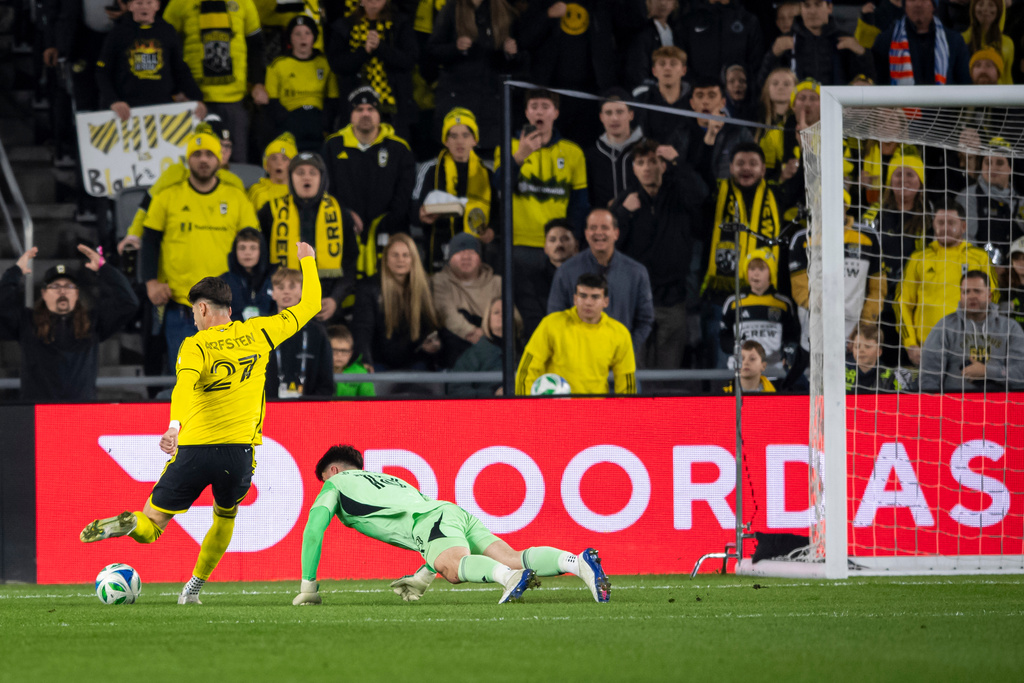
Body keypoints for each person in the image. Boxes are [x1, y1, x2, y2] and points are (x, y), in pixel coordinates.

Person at [80, 241, 322, 605]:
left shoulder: (195, 346)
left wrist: (174, 427)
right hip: (239, 452)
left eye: (194, 311)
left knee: (152, 526)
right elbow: (312, 305)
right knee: (225, 517)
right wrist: (308, 261)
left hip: (194, 449)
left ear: (204, 308)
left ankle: (131, 523)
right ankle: (193, 588)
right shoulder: (261, 331)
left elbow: (184, 387)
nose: (193, 318)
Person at [291, 444, 611, 605]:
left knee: (455, 569)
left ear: (332, 470)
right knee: (511, 554)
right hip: (449, 512)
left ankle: (509, 578)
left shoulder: (335, 484)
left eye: (323, 479)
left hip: (433, 522)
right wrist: (422, 574)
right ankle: (577, 561)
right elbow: (428, 522)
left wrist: (308, 587)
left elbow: (313, 530)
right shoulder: (393, 480)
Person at [142, 130, 258, 371]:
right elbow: (149, 241)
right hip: (182, 306)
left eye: (209, 154)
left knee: (228, 378)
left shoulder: (236, 198)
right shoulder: (167, 197)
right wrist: (151, 282)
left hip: (228, 308)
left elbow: (254, 246)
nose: (203, 160)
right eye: (196, 154)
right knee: (188, 380)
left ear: (219, 159)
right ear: (187, 160)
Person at [611, 138, 707, 369]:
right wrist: (623, 214)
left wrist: (678, 162)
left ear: (664, 166)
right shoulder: (625, 201)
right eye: (641, 162)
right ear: (633, 168)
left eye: (653, 161)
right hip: (636, 301)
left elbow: (701, 198)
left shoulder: (680, 196)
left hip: (673, 299)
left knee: (668, 373)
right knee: (634, 373)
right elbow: (608, 245)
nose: (647, 167)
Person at [0, 246, 138, 402]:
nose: (62, 292)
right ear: (44, 293)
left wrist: (104, 268)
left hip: (80, 413)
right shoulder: (26, 321)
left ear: (77, 293)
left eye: (69, 286)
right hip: (37, 413)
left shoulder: (93, 322)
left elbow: (129, 303)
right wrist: (14, 272)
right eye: (55, 286)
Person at [701, 143, 783, 369]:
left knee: (765, 370)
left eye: (753, 164)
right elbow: (697, 184)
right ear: (730, 167)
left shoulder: (777, 194)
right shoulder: (717, 193)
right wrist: (707, 144)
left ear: (764, 169)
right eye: (740, 163)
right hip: (721, 298)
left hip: (765, 299)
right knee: (722, 367)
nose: (746, 169)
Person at [322, 86, 417, 279]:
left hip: (390, 233)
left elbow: (405, 193)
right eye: (359, 109)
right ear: (350, 115)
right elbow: (325, 190)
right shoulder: (332, 146)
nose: (365, 114)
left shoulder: (399, 148)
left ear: (379, 114)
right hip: (343, 230)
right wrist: (345, 215)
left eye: (371, 109)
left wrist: (383, 223)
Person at [117, 116, 245, 256]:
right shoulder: (176, 172)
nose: (224, 151)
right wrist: (133, 235)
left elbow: (244, 221)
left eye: (228, 146)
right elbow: (148, 203)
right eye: (220, 144)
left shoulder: (234, 182)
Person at [493, 88, 588, 271]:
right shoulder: (508, 146)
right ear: (527, 112)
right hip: (518, 243)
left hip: (559, 246)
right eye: (534, 106)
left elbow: (580, 203)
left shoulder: (573, 152)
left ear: (556, 113)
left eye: (545, 106)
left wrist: (574, 239)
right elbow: (499, 185)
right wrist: (520, 156)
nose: (539, 111)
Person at [258, 151, 359, 324]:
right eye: (300, 172)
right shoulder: (270, 211)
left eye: (313, 172)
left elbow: (350, 264)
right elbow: (261, 262)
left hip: (326, 304)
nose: (307, 177)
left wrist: (335, 299)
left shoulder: (341, 213)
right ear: (290, 178)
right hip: (282, 304)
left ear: (322, 178)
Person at [163, 0, 268, 163]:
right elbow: (165, 46)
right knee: (197, 160)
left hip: (235, 100)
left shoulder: (244, 3)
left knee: (237, 162)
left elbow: (255, 45)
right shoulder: (179, 3)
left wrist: (258, 83)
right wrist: (177, 88)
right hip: (194, 101)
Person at [898, 202, 996, 366]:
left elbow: (992, 302)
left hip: (969, 349)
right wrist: (910, 344)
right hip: (926, 350)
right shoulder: (918, 258)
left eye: (951, 223)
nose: (945, 228)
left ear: (963, 226)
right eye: (940, 223)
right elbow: (903, 303)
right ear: (933, 225)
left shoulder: (979, 258)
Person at [548, 208, 654, 355]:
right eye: (593, 228)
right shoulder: (566, 271)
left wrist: (626, 348)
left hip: (621, 363)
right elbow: (555, 319)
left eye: (605, 227)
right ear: (586, 234)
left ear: (616, 233)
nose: (599, 233)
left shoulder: (637, 272)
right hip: (578, 363)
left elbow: (645, 320)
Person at [411, 107, 499, 274]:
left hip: (475, 252)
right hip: (438, 252)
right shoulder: (431, 170)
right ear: (446, 141)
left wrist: (492, 231)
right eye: (454, 135)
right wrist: (421, 215)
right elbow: (414, 210)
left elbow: (497, 213)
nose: (460, 141)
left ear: (475, 140)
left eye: (466, 135)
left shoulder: (487, 174)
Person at [518, 273, 637, 396]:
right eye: (583, 296)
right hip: (557, 410)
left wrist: (626, 412)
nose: (588, 302)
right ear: (575, 299)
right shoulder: (551, 325)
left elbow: (626, 380)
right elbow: (527, 369)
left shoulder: (619, 333)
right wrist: (524, 406)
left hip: (596, 411)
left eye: (595, 297)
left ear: (605, 301)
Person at [428, 0, 524, 151]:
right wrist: (456, 48)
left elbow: (522, 61)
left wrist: (510, 53)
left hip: (491, 103)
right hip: (457, 98)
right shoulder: (452, 8)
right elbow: (432, 51)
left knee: (490, 159)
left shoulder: (504, 11)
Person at [95, 0, 206, 121]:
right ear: (130, 6)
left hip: (163, 109)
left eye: (149, 3)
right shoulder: (117, 33)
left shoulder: (167, 31)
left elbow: (180, 69)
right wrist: (113, 101)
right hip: (127, 111)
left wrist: (196, 99)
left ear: (157, 5)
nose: (144, 7)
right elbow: (102, 72)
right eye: (139, 3)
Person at [327, 0, 418, 141]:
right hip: (354, 107)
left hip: (393, 110)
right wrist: (364, 51)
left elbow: (409, 60)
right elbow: (337, 64)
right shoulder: (344, 26)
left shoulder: (400, 23)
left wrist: (381, 48)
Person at [919, 270, 1024, 391]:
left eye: (977, 291)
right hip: (954, 404)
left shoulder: (1010, 327)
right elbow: (929, 377)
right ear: (960, 296)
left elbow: (1021, 373)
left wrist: (987, 371)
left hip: (1000, 404)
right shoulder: (945, 326)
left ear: (989, 296)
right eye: (966, 292)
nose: (971, 296)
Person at [351, 233, 442, 372]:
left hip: (415, 361)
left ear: (413, 259)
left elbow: (430, 325)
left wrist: (431, 344)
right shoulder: (368, 288)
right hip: (379, 362)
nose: (400, 260)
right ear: (386, 258)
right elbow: (363, 330)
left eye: (406, 255)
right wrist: (365, 361)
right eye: (395, 255)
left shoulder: (425, 286)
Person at [720, 250, 800, 381]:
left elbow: (791, 336)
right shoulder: (733, 302)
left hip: (774, 373)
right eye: (751, 268)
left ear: (771, 272)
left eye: (761, 269)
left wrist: (788, 355)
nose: (755, 273)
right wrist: (742, 352)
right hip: (740, 372)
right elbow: (724, 338)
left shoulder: (783, 304)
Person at [757, 0, 874, 88]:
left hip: (836, 110)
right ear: (800, 9)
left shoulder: (846, 40)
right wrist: (772, 55)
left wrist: (862, 54)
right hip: (796, 111)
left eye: (818, 4)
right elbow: (762, 84)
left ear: (829, 7)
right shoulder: (785, 41)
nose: (812, 11)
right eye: (806, 5)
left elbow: (870, 82)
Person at [265, 15, 339, 151]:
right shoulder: (278, 65)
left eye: (307, 33)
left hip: (318, 124)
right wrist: (287, 120)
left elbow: (333, 99)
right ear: (290, 38)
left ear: (314, 37)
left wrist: (323, 122)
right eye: (297, 34)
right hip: (290, 124)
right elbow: (272, 102)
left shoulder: (325, 64)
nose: (302, 38)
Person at [431, 232, 502, 368]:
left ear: (480, 258)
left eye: (471, 252)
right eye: (459, 252)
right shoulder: (439, 281)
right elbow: (446, 313)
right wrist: (473, 333)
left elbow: (512, 318)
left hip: (493, 348)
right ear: (450, 258)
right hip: (457, 347)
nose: (466, 257)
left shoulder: (497, 283)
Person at [264, 267, 334, 398]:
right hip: (267, 407)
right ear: (273, 293)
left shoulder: (317, 332)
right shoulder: (261, 328)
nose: (286, 292)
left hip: (308, 409)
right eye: (280, 287)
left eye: (292, 287)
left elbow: (326, 381)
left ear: (302, 291)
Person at [956, 139, 1024, 268]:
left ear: (1010, 168)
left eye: (999, 163)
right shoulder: (968, 196)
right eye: (988, 162)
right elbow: (965, 240)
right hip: (979, 270)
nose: (992, 168)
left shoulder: (1020, 202)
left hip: (1014, 274)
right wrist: (986, 266)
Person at [871, 0, 972, 85]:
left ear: (933, 5)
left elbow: (964, 81)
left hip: (944, 107)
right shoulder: (886, 40)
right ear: (905, 5)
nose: (918, 4)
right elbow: (879, 80)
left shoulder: (954, 40)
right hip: (898, 107)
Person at [515, 218, 578, 341]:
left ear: (576, 245)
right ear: (545, 248)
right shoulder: (531, 281)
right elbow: (533, 322)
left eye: (565, 239)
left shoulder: (588, 277)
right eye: (552, 240)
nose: (559, 244)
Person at [678, 0, 764, 86]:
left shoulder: (748, 21)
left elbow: (755, 65)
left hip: (737, 95)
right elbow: (682, 64)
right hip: (701, 94)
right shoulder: (688, 21)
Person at [449, 297, 521, 397]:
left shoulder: (526, 349)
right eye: (496, 312)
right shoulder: (474, 354)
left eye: (506, 311)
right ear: (488, 319)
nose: (502, 315)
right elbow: (456, 389)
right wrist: (491, 393)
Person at [585, 89, 644, 211]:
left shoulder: (646, 150)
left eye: (620, 112)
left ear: (631, 115)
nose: (614, 118)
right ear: (601, 117)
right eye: (608, 113)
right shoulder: (591, 156)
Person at [630, 46, 692, 154]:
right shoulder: (642, 100)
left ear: (684, 70)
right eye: (662, 64)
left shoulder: (693, 101)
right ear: (654, 71)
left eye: (673, 64)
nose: (667, 68)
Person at [219, 227, 277, 322]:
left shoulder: (274, 279)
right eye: (242, 248)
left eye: (253, 248)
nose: (247, 253)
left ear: (261, 251)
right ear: (235, 251)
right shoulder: (223, 282)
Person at [624, 0, 683, 89]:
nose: (663, 3)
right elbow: (638, 72)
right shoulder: (642, 34)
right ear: (649, 3)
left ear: (675, 4)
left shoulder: (677, 32)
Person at [962, 0, 1014, 84]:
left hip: (1000, 95)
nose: (985, 9)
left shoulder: (1008, 43)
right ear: (973, 8)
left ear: (999, 10)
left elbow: (1007, 77)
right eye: (980, 4)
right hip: (970, 95)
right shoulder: (962, 40)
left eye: (991, 5)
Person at [846, 324, 908, 392]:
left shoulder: (889, 376)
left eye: (867, 346)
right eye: (857, 346)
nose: (861, 350)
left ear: (879, 352)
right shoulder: (843, 372)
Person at [247, 132, 297, 213]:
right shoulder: (257, 192)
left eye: (284, 159)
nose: (279, 163)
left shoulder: (299, 192)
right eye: (274, 158)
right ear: (266, 165)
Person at [327, 324, 375, 397]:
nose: (339, 355)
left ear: (350, 354)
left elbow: (369, 402)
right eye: (335, 350)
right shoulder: (317, 371)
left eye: (344, 351)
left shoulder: (360, 373)